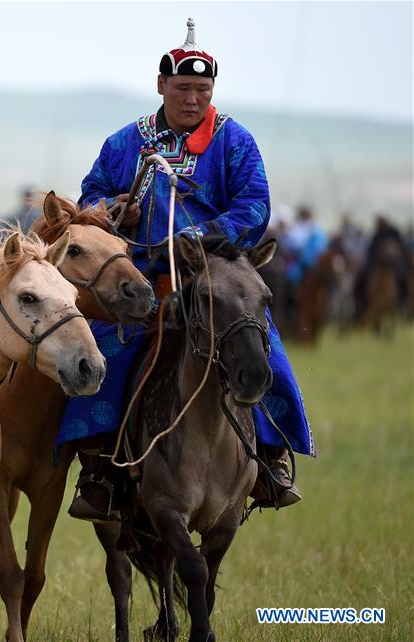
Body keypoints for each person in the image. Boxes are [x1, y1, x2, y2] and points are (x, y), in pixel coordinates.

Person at [63, 18, 313, 522]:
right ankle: (97, 472)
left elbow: (255, 204)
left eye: (202, 89)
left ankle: (270, 459)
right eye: (183, 88)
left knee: (261, 342)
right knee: (103, 346)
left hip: (215, 270)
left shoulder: (234, 141)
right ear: (161, 86)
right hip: (142, 273)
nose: (193, 99)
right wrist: (114, 209)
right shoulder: (123, 144)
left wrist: (202, 237)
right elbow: (88, 199)